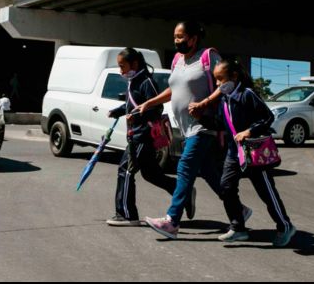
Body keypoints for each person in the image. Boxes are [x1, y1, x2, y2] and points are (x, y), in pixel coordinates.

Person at [139, 21, 246, 240]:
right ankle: (239, 211)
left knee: (185, 167)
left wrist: (204, 104)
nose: (177, 41)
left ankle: (172, 221)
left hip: (205, 124)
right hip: (186, 128)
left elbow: (223, 84)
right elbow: (174, 88)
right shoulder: (177, 60)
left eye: (181, 36)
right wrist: (150, 102)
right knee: (210, 174)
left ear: (193, 38)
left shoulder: (208, 56)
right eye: (175, 37)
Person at [213, 58, 296, 247]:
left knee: (266, 192)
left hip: (255, 151)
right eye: (215, 79)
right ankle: (238, 228)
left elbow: (268, 116)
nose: (218, 84)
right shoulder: (224, 99)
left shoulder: (247, 94)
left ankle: (285, 226)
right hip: (234, 153)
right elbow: (220, 124)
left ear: (233, 76)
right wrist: (200, 118)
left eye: (221, 79)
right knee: (225, 188)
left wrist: (249, 131)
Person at [105, 48, 182, 227]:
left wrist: (138, 116)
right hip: (136, 135)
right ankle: (183, 193)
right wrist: (117, 111)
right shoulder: (135, 81)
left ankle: (126, 214)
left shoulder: (146, 82)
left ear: (135, 64)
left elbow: (156, 108)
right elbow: (133, 104)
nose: (121, 71)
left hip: (143, 136)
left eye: (122, 66)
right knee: (151, 174)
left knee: (125, 171)